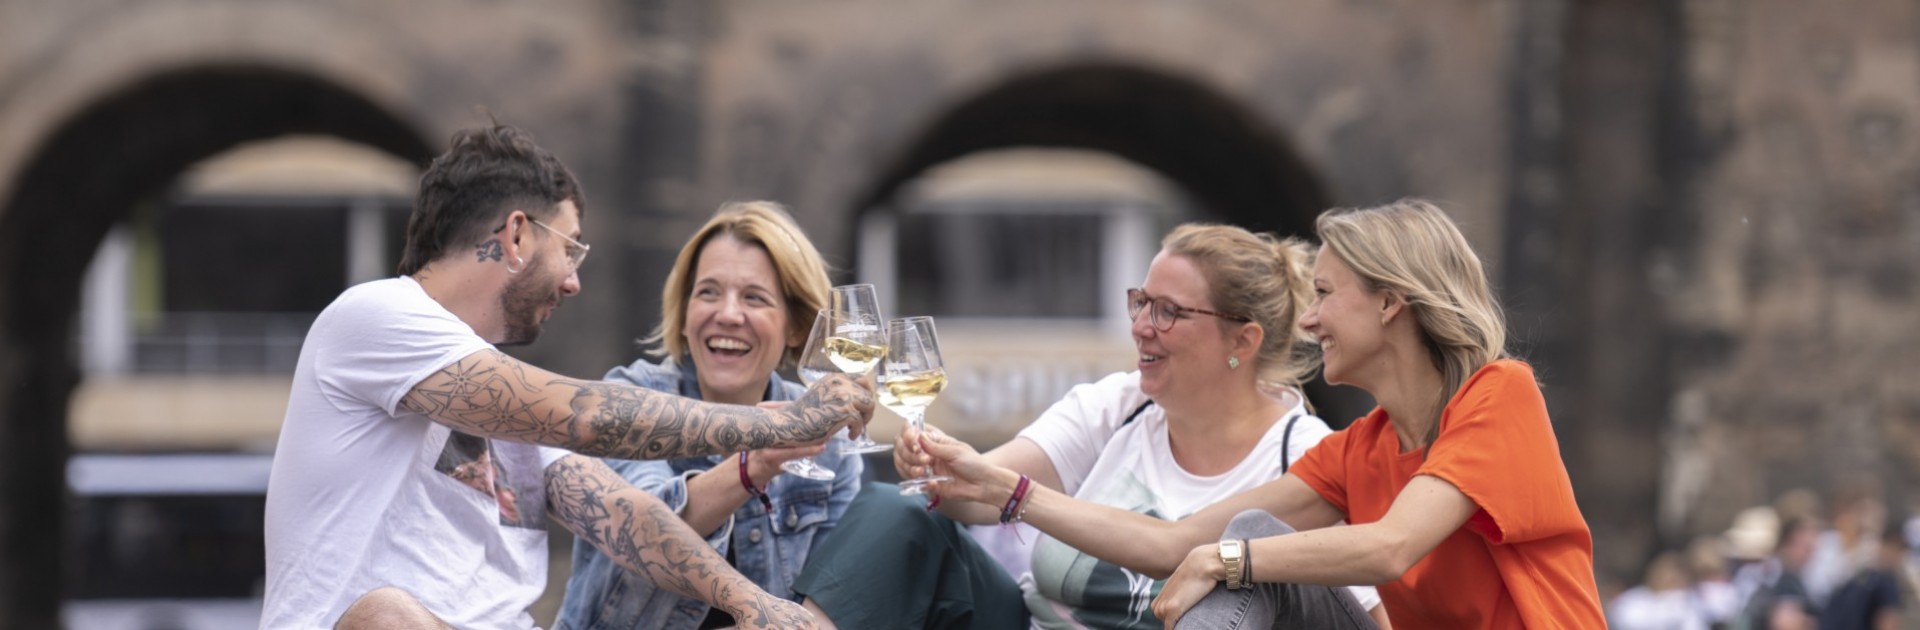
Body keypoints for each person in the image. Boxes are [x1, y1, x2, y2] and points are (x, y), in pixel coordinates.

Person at [261, 124, 872, 630]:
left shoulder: (497, 387)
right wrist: (779, 426)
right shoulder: (376, 317)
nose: (575, 281)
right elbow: (583, 415)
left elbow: (625, 514)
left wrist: (754, 605)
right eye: (572, 248)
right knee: (384, 618)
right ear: (518, 235)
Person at [941, 199, 1601, 628]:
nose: (1309, 321)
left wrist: (1227, 560)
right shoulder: (1357, 450)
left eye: (1325, 295)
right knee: (1250, 534)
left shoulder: (1500, 394)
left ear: (1390, 303)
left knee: (1245, 545)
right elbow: (1174, 544)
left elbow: (1390, 547)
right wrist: (1014, 493)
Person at [794, 223, 1389, 629]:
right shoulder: (1115, 406)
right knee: (894, 511)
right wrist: (937, 467)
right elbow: (976, 495)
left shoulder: (1303, 454)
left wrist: (1012, 496)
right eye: (1141, 301)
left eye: (1169, 311)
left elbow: (1356, 614)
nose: (1142, 326)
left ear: (1243, 340)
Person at [555, 201, 862, 629]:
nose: (728, 315)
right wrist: (755, 463)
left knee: (898, 518)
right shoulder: (628, 397)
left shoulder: (828, 443)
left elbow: (831, 598)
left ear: (795, 327)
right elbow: (644, 527)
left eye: (754, 298)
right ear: (683, 316)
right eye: (708, 293)